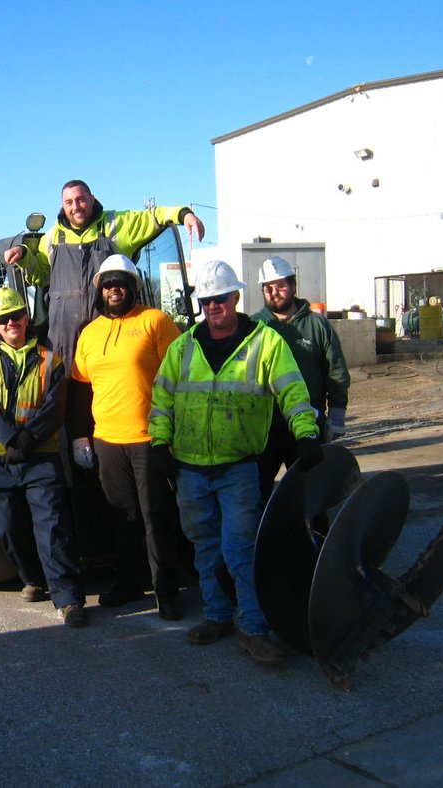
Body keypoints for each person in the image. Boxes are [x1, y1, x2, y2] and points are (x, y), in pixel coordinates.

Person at [149, 260, 321, 665]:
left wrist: (306, 434)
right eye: (206, 301)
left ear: (235, 297)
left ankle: (254, 629)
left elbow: (293, 391)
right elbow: (162, 398)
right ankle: (218, 615)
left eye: (220, 299)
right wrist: (159, 443)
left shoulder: (266, 342)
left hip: (238, 466)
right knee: (205, 545)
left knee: (240, 548)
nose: (213, 307)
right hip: (190, 468)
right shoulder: (184, 345)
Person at [68, 255, 185, 618]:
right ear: (100, 290)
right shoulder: (89, 333)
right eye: (107, 284)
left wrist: (172, 435)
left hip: (149, 438)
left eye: (120, 283)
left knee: (155, 515)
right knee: (122, 515)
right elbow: (79, 389)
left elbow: (179, 379)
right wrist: (80, 437)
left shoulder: (156, 322)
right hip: (106, 440)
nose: (113, 289)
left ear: (133, 286)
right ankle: (130, 583)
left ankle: (166, 590)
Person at [0, 286, 88, 627]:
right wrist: (10, 439)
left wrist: (27, 439)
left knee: (52, 525)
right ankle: (33, 576)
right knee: (6, 526)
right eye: (3, 319)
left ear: (27, 317)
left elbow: (55, 407)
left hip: (39, 456)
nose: (11, 323)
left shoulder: (52, 361)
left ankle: (69, 599)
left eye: (16, 316)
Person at [3, 178, 205, 367]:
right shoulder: (53, 237)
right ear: (63, 205)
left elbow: (153, 216)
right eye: (69, 202)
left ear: (92, 199)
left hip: (109, 341)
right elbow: (41, 275)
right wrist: (24, 256)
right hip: (63, 345)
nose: (75, 207)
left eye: (81, 200)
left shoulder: (115, 224)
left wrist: (183, 214)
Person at [251, 256, 351, 499]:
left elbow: (336, 372)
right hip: (265, 430)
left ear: (293, 285)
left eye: (280, 286)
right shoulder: (254, 327)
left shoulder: (317, 326)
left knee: (311, 492)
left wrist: (336, 418)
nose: (275, 293)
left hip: (306, 427)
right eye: (268, 288)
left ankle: (316, 536)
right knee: (257, 494)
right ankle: (263, 537)